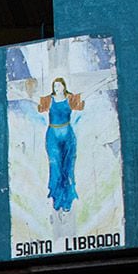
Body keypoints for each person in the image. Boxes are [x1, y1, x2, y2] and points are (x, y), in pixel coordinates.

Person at [38, 77, 85, 213]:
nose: (56, 89)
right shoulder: (48, 100)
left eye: (58, 86)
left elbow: (87, 94)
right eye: (54, 86)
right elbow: (32, 99)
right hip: (53, 136)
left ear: (64, 87)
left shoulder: (70, 99)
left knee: (68, 167)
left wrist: (105, 82)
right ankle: (57, 200)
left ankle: (67, 201)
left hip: (68, 136)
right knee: (55, 167)